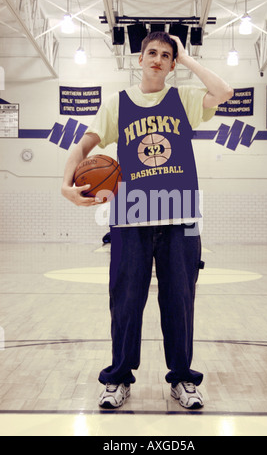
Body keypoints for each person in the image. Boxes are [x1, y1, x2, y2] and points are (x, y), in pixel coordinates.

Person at [62, 32, 233, 410]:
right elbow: (83, 146)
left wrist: (188, 60)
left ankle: (183, 380)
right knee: (124, 303)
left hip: (182, 216)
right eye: (151, 53)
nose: (157, 59)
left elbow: (224, 92)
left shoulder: (185, 99)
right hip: (130, 218)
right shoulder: (116, 104)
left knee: (180, 303)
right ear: (140, 59)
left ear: (172, 64)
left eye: (166, 55)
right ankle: (119, 379)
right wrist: (64, 184)